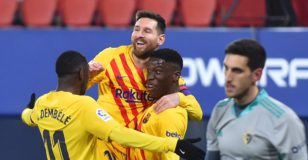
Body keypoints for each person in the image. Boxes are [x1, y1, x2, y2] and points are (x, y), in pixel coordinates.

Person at [21, 50, 205, 160]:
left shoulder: (42, 103)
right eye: (87, 73)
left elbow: (28, 118)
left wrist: (27, 109)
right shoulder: (84, 105)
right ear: (80, 74)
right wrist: (172, 144)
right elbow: (119, 134)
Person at [88, 10, 203, 158]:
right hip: (109, 147)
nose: (139, 34)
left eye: (147, 31)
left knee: (173, 112)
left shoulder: (164, 72)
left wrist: (179, 98)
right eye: (136, 29)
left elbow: (197, 113)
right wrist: (86, 75)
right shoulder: (109, 58)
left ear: (160, 39)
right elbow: (76, 90)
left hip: (143, 149)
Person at [205, 39, 308, 160]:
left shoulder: (284, 120)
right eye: (226, 68)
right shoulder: (219, 110)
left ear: (257, 75)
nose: (228, 77)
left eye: (237, 71)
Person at [130, 48, 189, 160]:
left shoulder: (171, 114)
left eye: (157, 72)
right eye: (149, 71)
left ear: (175, 76)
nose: (150, 77)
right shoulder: (155, 105)